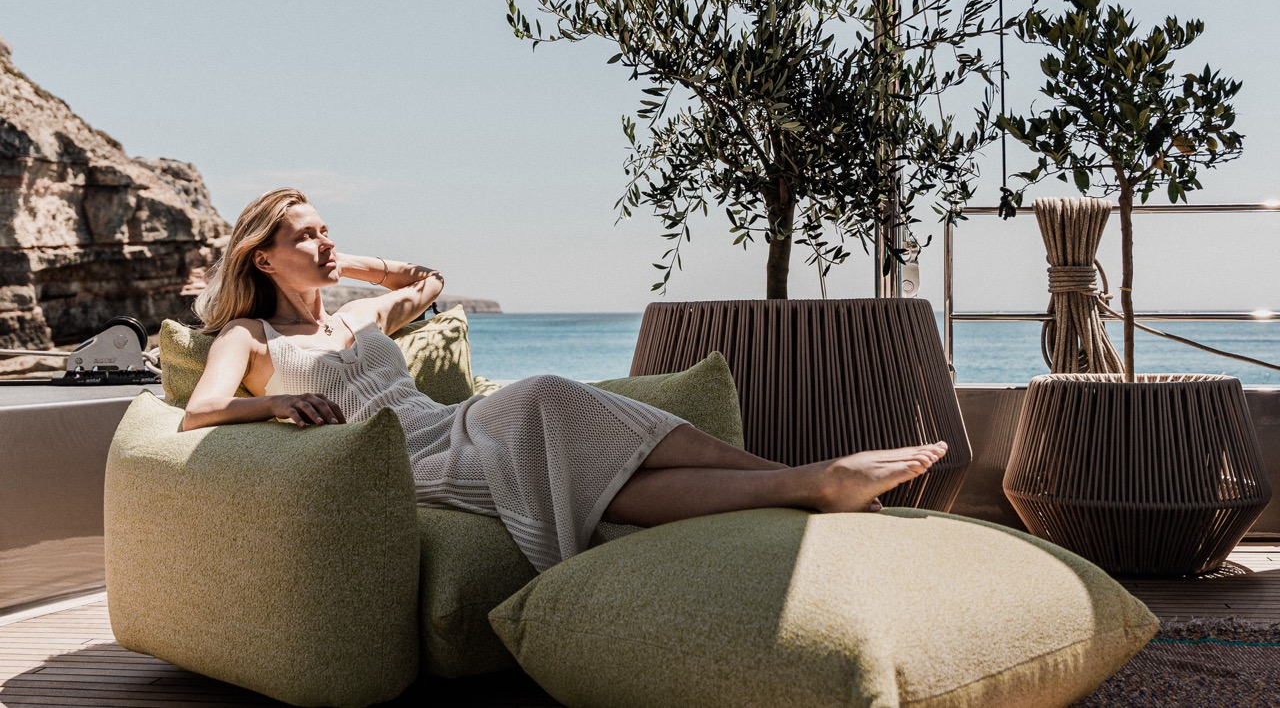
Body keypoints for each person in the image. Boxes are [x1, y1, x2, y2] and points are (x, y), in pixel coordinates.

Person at [185, 188, 948, 571]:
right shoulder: (250, 336)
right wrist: (278, 400)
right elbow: (201, 411)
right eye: (305, 236)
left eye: (326, 229)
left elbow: (428, 279)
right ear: (262, 257)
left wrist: (342, 260)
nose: (323, 242)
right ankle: (810, 483)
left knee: (549, 396)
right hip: (404, 465)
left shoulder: (361, 312)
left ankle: (799, 478)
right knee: (571, 453)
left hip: (453, 424)